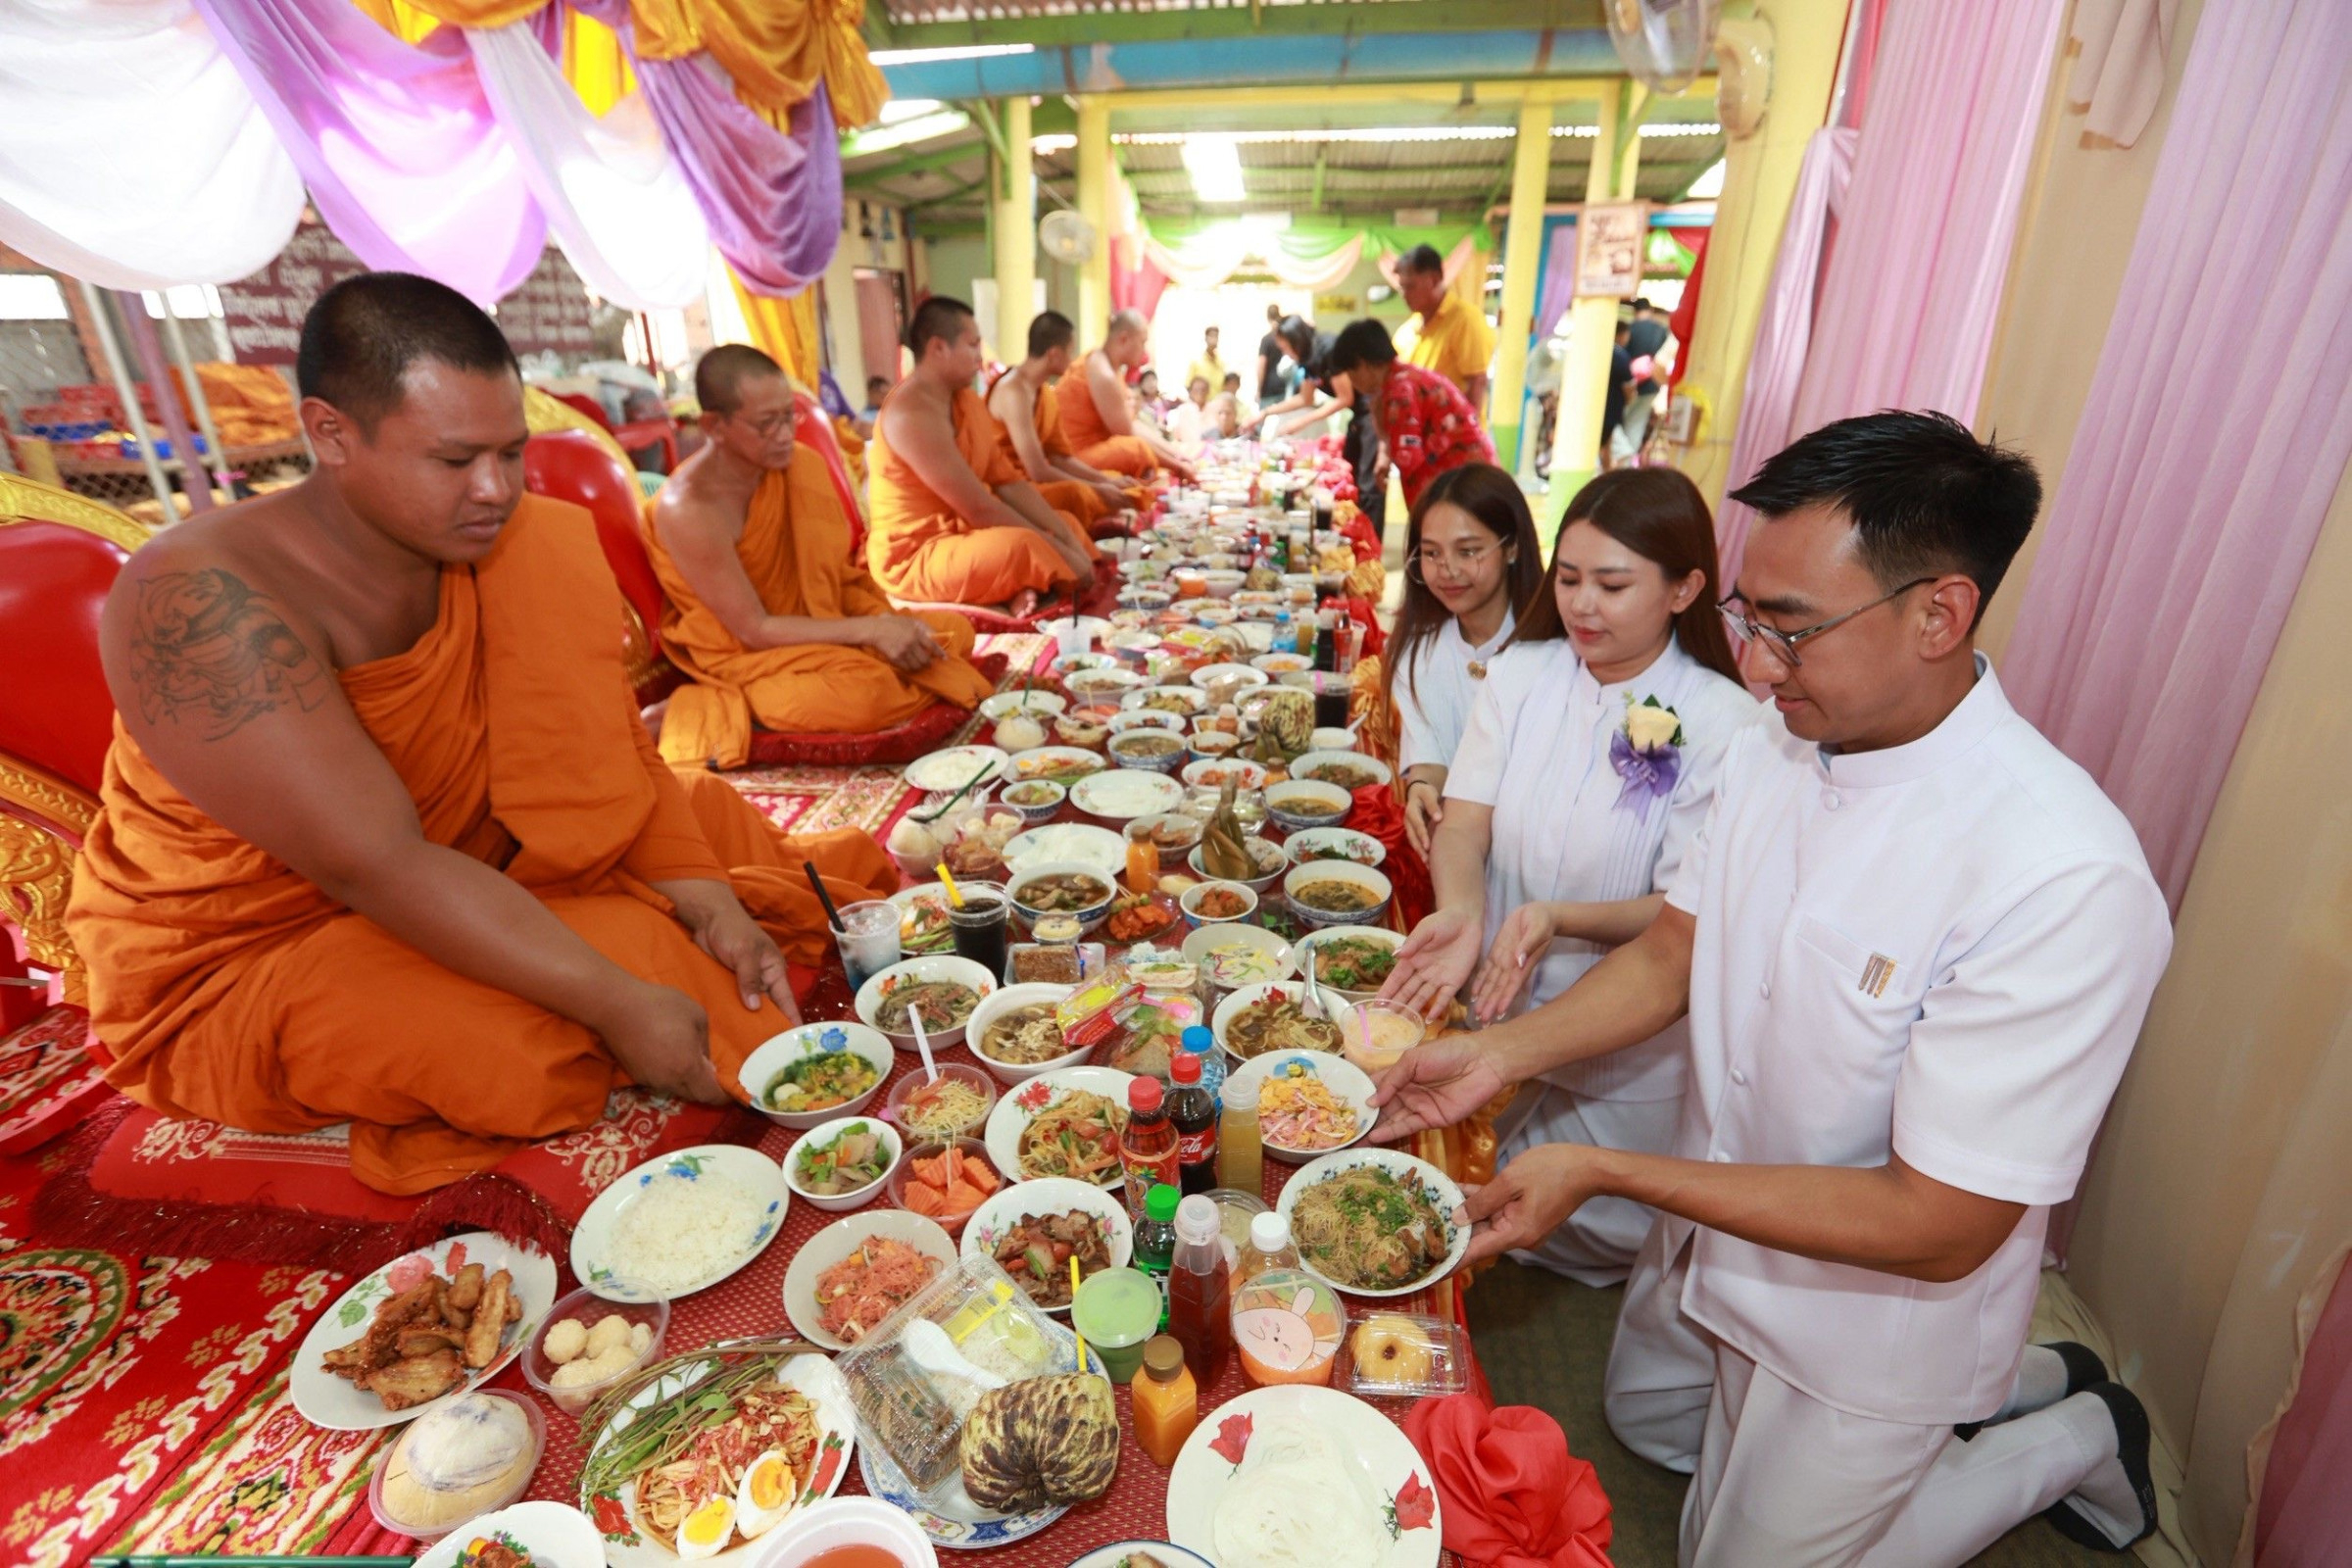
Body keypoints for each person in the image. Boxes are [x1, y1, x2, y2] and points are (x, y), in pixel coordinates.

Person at [1370, 411, 2169, 1564]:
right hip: (1717, 1224)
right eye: (1748, 615)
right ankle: (2029, 1386)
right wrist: (1501, 1055)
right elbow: (1672, 952)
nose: (1748, 661)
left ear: (1940, 612)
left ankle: (2073, 1436)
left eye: (1791, 629)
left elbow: (1937, 1224)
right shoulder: (1773, 750)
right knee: (1650, 1427)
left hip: (1875, 1315)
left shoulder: (2060, 873)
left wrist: (1601, 1167)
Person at [65, 272, 896, 1196]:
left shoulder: (516, 545)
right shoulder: (205, 599)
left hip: (477, 858)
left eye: (512, 454)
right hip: (267, 946)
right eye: (455, 462)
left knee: (708, 837)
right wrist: (617, 1003)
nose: (495, 491)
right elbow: (375, 864)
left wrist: (709, 902)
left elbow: (607, 758)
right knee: (529, 1046)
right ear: (330, 432)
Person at [1383, 467, 1756, 1286]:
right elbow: (1466, 819)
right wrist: (1464, 914)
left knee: (1582, 1227)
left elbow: (1678, 909)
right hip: (1501, 988)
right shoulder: (1522, 673)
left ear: (1686, 587)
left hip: (1627, 1023)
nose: (1583, 605)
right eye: (1572, 579)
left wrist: (1564, 915)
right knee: (1461, 1179)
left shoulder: (1728, 723)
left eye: (1613, 585)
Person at [645, 345, 994, 768]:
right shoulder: (690, 509)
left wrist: (881, 624)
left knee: (954, 631)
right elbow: (754, 629)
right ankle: (725, 707)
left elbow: (830, 579)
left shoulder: (798, 466)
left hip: (820, 621)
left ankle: (894, 668)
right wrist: (871, 632)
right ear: (714, 426)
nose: (785, 434)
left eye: (789, 416)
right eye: (766, 424)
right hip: (751, 656)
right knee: (872, 693)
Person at [867, 297, 1097, 614]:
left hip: (965, 536)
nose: (981, 355)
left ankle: (1016, 586)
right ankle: (1020, 583)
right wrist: (1058, 549)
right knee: (1025, 547)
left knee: (1065, 522)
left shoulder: (965, 402)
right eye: (973, 344)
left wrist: (1060, 534)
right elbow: (977, 507)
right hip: (917, 554)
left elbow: (1007, 482)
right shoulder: (911, 415)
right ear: (938, 348)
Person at [1386, 465, 1544, 857]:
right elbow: (1430, 754)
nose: (1448, 570)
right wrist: (1422, 788)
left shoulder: (1553, 655)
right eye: (1431, 553)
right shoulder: (1418, 652)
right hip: (1458, 855)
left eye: (1468, 551)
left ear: (1512, 547)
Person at [985, 310, 1141, 538]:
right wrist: (1097, 489)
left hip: (1034, 485)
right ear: (1054, 354)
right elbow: (1037, 470)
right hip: (1010, 491)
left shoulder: (1044, 393)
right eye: (1069, 351)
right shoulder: (1014, 391)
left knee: (1112, 480)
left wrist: (1107, 481)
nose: (1071, 360)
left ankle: (1102, 526)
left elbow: (1060, 457)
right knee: (1077, 494)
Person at [1324, 318, 1495, 511]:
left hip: (1464, 485)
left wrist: (1382, 431)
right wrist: (1385, 450)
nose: (1353, 382)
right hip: (1471, 478)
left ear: (1364, 365)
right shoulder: (1403, 378)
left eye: (1351, 373)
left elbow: (1409, 460)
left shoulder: (1399, 392)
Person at [1251, 315, 1386, 534]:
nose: (1286, 353)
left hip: (1371, 412)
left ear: (1295, 339)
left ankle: (1371, 544)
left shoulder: (1326, 349)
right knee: (1351, 476)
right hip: (1358, 416)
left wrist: (1301, 421)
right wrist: (1265, 413)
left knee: (1369, 484)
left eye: (1285, 348)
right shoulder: (1307, 358)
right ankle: (1354, 533)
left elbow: (1346, 398)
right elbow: (1305, 398)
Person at [1052, 310, 1197, 481]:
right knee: (1137, 451)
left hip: (1093, 449)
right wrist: (1177, 466)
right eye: (1142, 343)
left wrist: (1176, 454)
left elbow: (1131, 423)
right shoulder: (1102, 372)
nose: (1144, 352)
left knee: (1139, 450)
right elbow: (1128, 433)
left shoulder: (1109, 366)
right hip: (1074, 457)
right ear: (1124, 339)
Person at [1397, 242, 1495, 410]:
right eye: (1402, 287)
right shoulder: (1408, 330)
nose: (1404, 295)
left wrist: (1464, 433)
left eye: (1411, 286)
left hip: (1454, 433)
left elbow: (1477, 383)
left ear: (1434, 280)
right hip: (1419, 432)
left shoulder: (1465, 320)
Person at [1602, 318, 1635, 467]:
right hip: (1612, 411)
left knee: (1606, 448)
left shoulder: (1601, 351)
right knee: (1623, 452)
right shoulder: (1621, 356)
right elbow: (1628, 387)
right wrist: (1629, 401)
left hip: (1600, 411)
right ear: (1621, 335)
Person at [1253, 303, 1288, 405]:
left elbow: (1261, 365)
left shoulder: (1267, 339)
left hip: (1269, 389)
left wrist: (1259, 389)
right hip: (1285, 386)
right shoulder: (1286, 338)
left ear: (1268, 317)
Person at [1167, 374, 1213, 447]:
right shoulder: (1183, 409)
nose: (1200, 393)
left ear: (1208, 391)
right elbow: (1176, 436)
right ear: (1191, 392)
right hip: (1188, 450)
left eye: (1203, 389)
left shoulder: (1215, 408)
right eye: (1196, 390)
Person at [1187, 325, 1227, 395]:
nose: (1214, 339)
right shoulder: (1196, 362)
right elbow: (1188, 385)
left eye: (1216, 336)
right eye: (1211, 336)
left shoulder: (1221, 363)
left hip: (1217, 404)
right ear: (1206, 338)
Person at [856, 373, 889, 438]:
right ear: (872, 394)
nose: (886, 397)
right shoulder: (865, 416)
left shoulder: (889, 412)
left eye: (888, 393)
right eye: (883, 394)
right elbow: (866, 431)